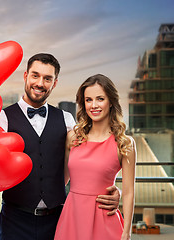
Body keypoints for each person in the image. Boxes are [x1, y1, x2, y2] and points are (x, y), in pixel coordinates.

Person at [0, 54, 121, 240]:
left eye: (47, 78)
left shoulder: (67, 120)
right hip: (14, 222)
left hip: (58, 221)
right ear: (25, 76)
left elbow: (91, 162)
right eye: (35, 75)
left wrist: (112, 189)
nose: (40, 83)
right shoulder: (2, 119)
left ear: (54, 83)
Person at [54, 74, 136, 240]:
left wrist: (126, 233)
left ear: (111, 101)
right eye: (88, 100)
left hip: (105, 221)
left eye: (100, 99)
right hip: (72, 219)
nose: (94, 105)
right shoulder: (73, 138)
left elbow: (129, 193)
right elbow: (61, 180)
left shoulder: (125, 143)